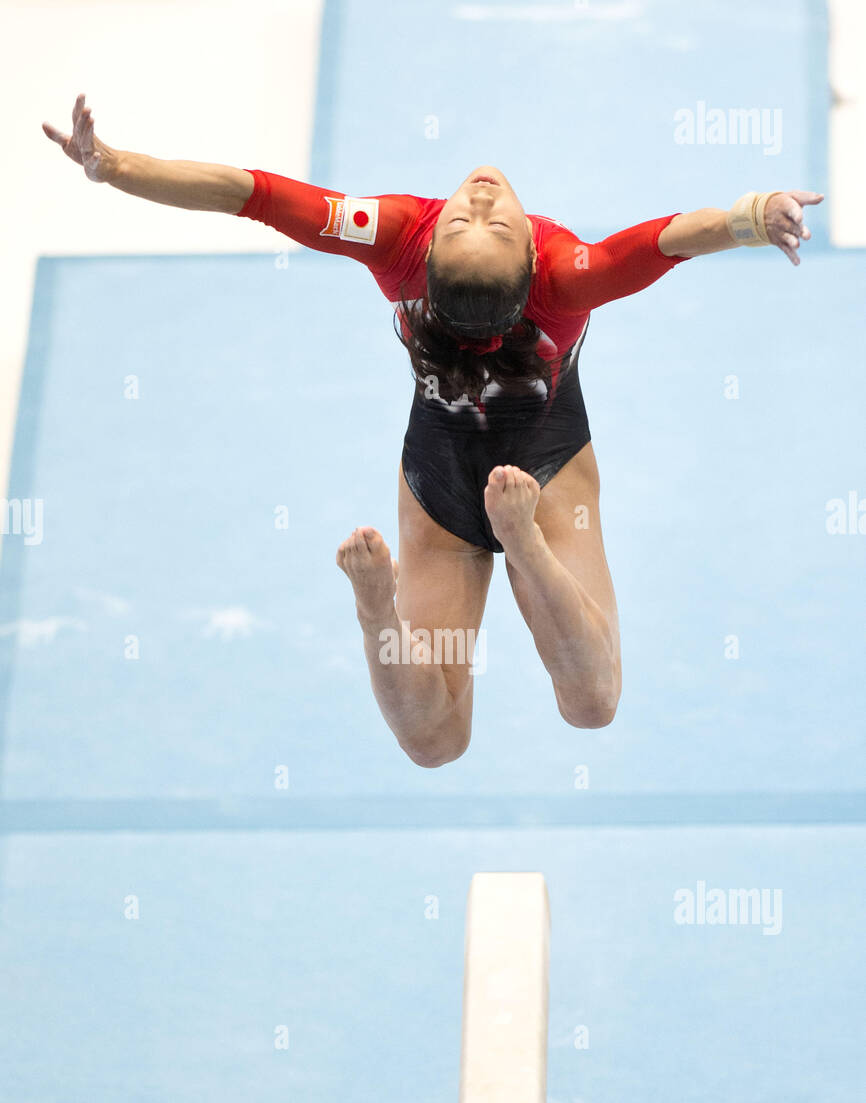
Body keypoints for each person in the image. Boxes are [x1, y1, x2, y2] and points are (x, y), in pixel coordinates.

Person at [43, 95, 822, 766]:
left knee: (590, 704)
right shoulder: (564, 271)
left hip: (512, 482)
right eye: (471, 222)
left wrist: (115, 167)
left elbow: (257, 196)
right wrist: (752, 215)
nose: (479, 201)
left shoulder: (397, 236)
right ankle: (393, 601)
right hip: (472, 490)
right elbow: (665, 241)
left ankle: (511, 548)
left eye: (477, 221)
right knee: (439, 741)